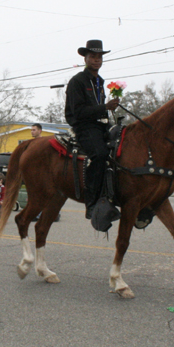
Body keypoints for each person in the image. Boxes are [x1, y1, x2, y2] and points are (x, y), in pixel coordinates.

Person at [64, 39, 120, 222]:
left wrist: (109, 109)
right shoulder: (77, 81)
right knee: (100, 153)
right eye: (92, 57)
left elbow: (99, 107)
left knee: (123, 143)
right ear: (85, 58)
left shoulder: (99, 81)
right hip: (84, 126)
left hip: (101, 124)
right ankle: (92, 202)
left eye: (99, 57)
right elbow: (78, 112)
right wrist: (104, 107)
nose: (96, 60)